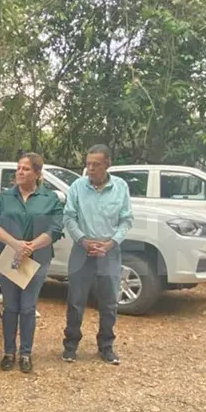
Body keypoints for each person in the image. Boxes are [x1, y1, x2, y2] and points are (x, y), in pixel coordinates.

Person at [0, 153, 64, 373]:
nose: (20, 172)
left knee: (28, 307)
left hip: (37, 258)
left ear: (37, 173)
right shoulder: (4, 198)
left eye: (26, 169)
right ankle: (9, 352)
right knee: (10, 307)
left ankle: (26, 353)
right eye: (19, 168)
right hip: (9, 257)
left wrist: (31, 247)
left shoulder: (50, 198)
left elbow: (55, 229)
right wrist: (16, 244)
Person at [61, 144, 133, 365]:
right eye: (88, 164)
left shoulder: (120, 187)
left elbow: (126, 220)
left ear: (107, 164)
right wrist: (83, 240)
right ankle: (71, 345)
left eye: (96, 164)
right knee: (76, 300)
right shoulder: (77, 187)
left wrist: (111, 243)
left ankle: (106, 346)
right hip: (82, 250)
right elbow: (69, 216)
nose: (90, 168)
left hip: (109, 252)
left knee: (109, 302)